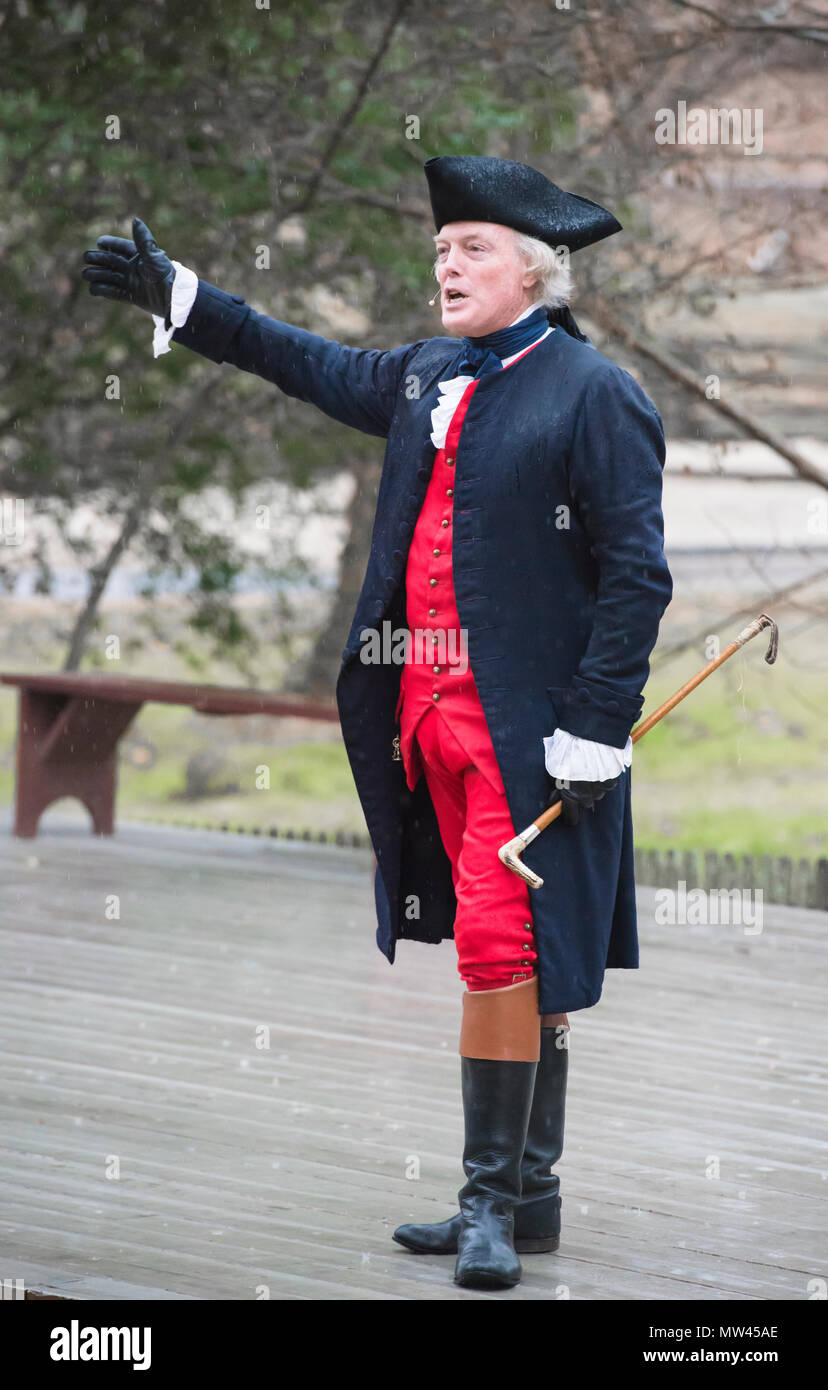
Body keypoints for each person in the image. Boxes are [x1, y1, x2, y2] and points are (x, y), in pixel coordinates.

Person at [82, 153, 673, 1290]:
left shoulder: (597, 395)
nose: (447, 264)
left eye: (474, 250)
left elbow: (636, 577)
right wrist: (187, 300)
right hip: (426, 723)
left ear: (538, 273)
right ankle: (532, 1196)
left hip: (528, 736)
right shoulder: (424, 373)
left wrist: (597, 728)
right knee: (515, 956)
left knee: (504, 950)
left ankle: (488, 1204)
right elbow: (305, 362)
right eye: (443, 248)